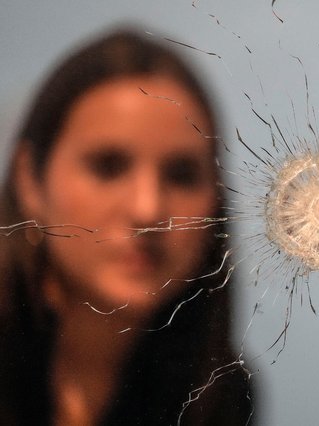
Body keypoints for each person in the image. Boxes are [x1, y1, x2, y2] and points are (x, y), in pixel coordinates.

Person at [0, 29, 254, 425]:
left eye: (182, 175)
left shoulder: (219, 392)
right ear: (30, 181)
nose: (148, 209)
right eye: (108, 166)